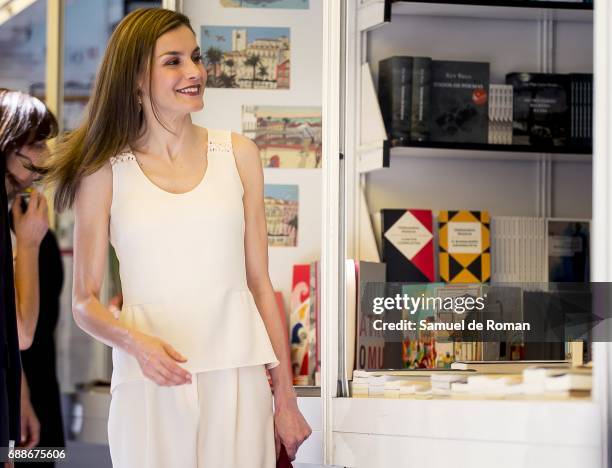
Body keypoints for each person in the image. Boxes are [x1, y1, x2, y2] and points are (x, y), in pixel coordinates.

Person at [43, 8, 310, 468]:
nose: (194, 72)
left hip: (238, 374)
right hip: (151, 381)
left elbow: (261, 286)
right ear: (137, 79)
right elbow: (84, 302)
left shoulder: (239, 155)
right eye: (173, 61)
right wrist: (136, 344)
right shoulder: (103, 170)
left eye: (196, 57)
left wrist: (286, 399)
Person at [1, 89, 65, 466]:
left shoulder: (21, 215)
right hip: (22, 385)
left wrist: (21, 395)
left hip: (27, 387)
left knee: (44, 455)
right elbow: (21, 331)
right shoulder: (29, 231)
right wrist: (27, 245)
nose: (46, 156)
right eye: (38, 143)